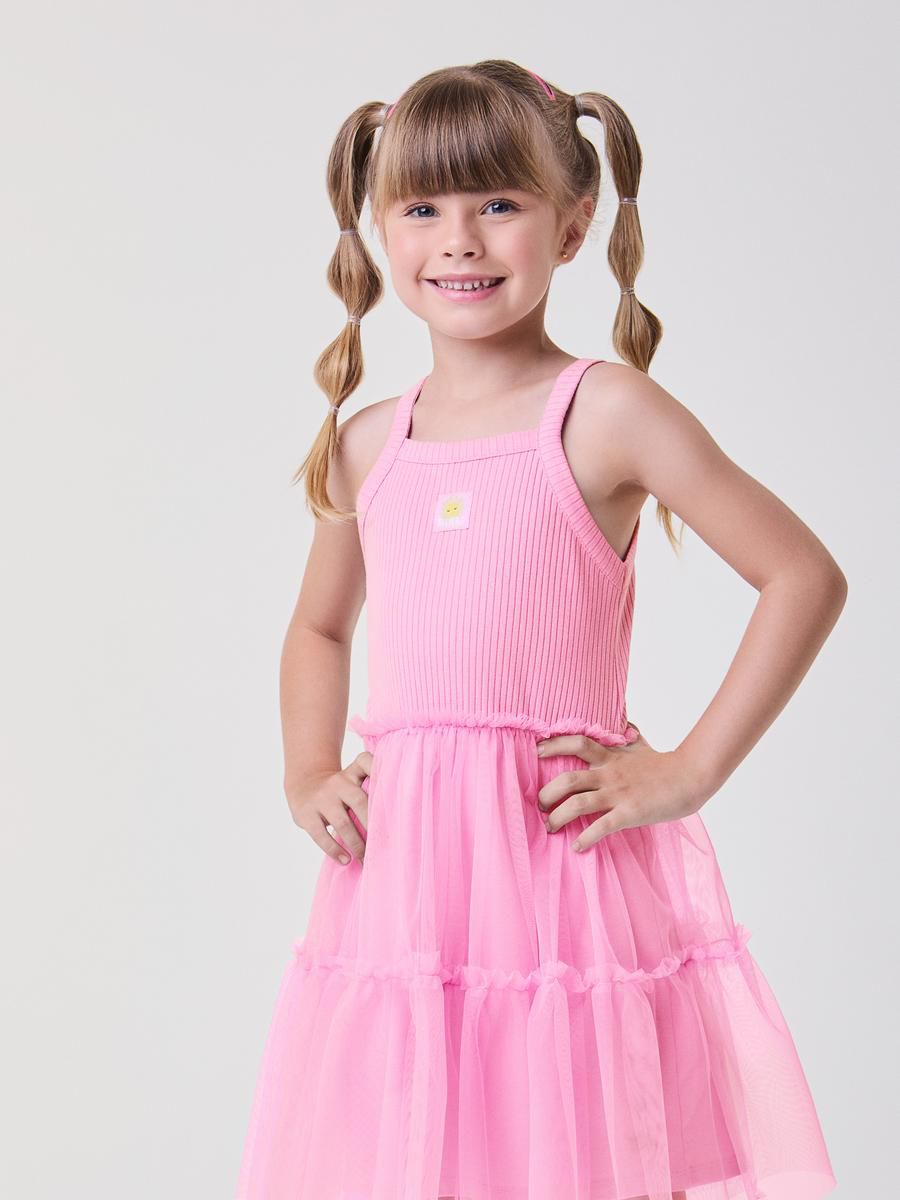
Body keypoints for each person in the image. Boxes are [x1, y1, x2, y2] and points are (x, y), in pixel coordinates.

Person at [235, 59, 843, 1200]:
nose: (459, 241)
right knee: (423, 1151)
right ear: (378, 229)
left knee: (571, 1144)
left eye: (498, 203)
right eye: (423, 208)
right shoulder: (370, 442)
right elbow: (318, 627)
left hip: (557, 858)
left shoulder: (605, 413)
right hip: (409, 876)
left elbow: (801, 575)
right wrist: (307, 768)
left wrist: (689, 770)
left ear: (571, 226)